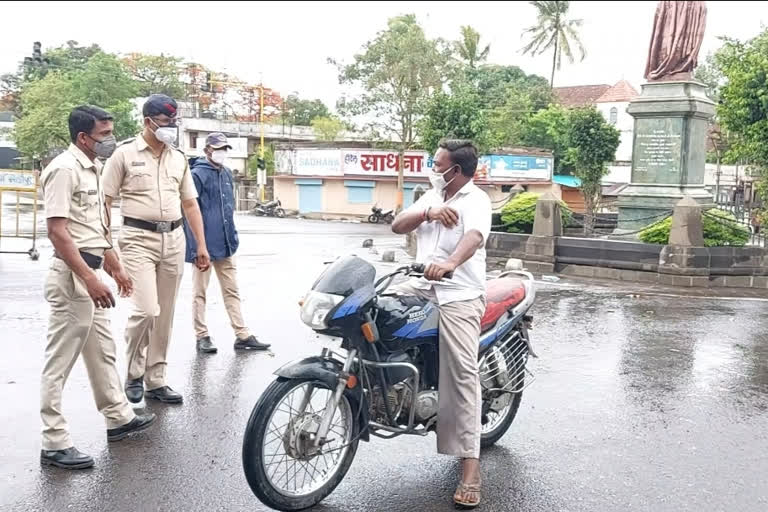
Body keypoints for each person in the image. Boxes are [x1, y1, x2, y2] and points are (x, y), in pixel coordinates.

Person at [40, 105, 156, 470]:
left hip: (92, 274)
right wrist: (89, 279)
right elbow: (58, 232)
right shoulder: (63, 170)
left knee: (103, 352)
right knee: (59, 362)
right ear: (83, 138)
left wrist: (115, 266)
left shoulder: (94, 168)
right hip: (74, 279)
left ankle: (118, 418)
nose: (110, 140)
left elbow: (94, 228)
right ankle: (54, 442)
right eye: (104, 135)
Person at [391, 139, 491, 508]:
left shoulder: (476, 200)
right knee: (371, 314)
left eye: (438, 164)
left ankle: (470, 467)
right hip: (419, 286)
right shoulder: (433, 195)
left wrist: (450, 264)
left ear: (458, 170)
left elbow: (474, 237)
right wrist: (428, 214)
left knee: (464, 372)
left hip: (459, 293)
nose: (433, 167)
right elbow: (397, 226)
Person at [102, 94, 210, 405]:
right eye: (165, 122)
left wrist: (200, 245)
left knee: (165, 314)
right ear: (148, 121)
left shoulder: (178, 158)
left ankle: (156, 379)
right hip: (137, 239)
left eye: (174, 122)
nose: (171, 128)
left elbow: (190, 203)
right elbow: (105, 201)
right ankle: (134, 372)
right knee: (146, 310)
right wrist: (106, 245)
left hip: (174, 240)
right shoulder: (123, 155)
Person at [184, 132, 270, 353]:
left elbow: (228, 209)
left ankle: (242, 334)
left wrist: (232, 236)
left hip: (226, 244)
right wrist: (196, 248)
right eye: (218, 148)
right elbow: (189, 212)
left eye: (225, 149)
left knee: (231, 290)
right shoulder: (196, 175)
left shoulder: (226, 174)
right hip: (204, 246)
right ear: (207, 150)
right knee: (199, 292)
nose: (221, 152)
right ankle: (201, 335)